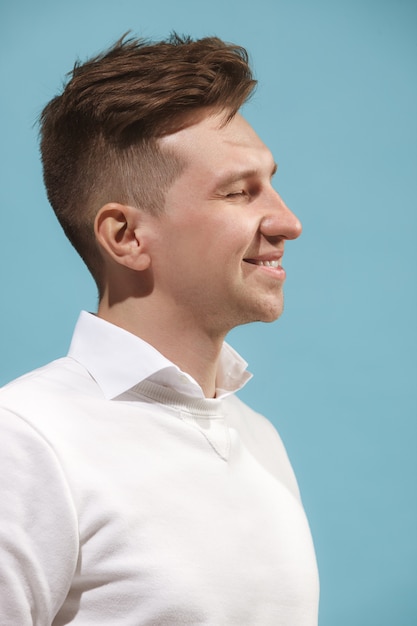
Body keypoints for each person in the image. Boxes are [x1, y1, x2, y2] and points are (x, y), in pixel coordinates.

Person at [0, 34, 319, 625]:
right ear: (126, 236)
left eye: (271, 183)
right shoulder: (23, 442)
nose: (287, 222)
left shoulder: (256, 438)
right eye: (239, 192)